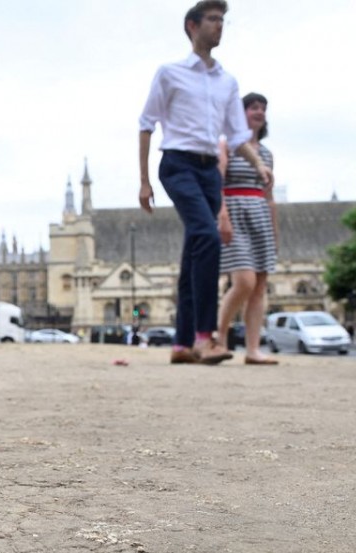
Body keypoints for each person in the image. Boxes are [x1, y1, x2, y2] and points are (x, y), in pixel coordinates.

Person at [138, 0, 273, 365]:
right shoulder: (169, 73)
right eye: (213, 20)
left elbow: (237, 133)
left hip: (209, 169)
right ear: (192, 26)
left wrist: (259, 164)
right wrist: (145, 181)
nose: (219, 26)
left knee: (192, 252)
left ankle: (181, 344)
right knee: (207, 237)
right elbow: (147, 124)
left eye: (222, 20)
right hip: (178, 164)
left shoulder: (227, 82)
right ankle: (204, 337)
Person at [215, 92, 279, 365]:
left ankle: (253, 349)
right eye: (253, 107)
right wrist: (222, 215)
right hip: (235, 211)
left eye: (263, 108)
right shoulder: (226, 145)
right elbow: (217, 183)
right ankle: (219, 339)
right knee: (244, 281)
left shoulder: (266, 154)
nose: (259, 112)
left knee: (260, 287)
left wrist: (275, 234)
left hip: (260, 215)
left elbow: (269, 196)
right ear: (240, 114)